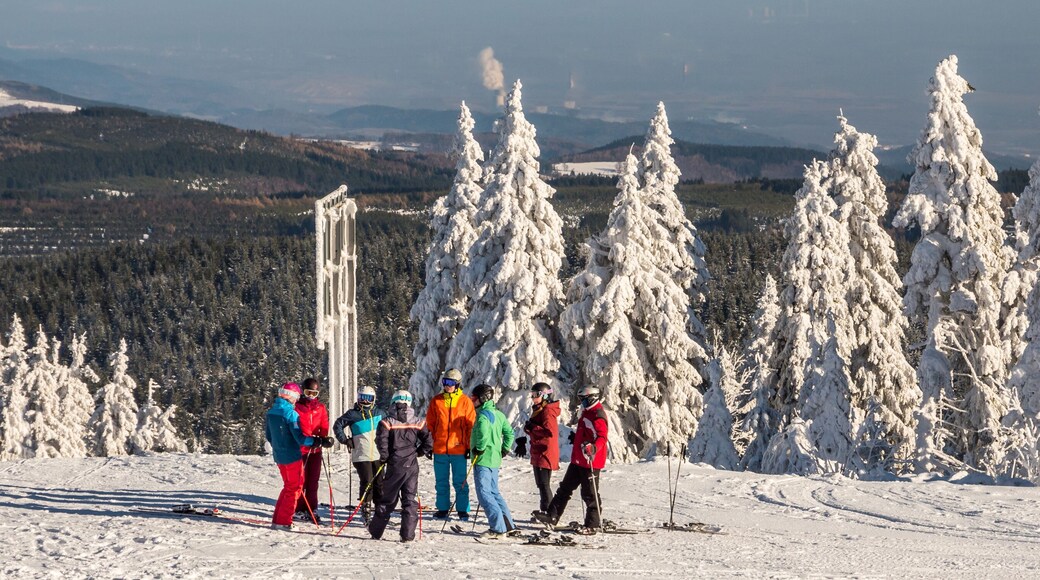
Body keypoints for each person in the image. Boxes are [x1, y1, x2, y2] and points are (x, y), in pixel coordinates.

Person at [532, 385, 609, 532]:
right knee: (565, 489)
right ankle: (552, 516)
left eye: (584, 400)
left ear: (592, 398)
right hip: (578, 460)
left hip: (590, 461)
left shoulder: (597, 414)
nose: (582, 403)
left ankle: (592, 523)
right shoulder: (587, 413)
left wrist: (593, 447)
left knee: (589, 493)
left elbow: (602, 437)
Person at [369, 389, 433, 543]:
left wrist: (384, 457)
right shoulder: (418, 421)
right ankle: (407, 535)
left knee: (387, 499)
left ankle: (376, 531)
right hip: (411, 465)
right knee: (409, 499)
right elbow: (429, 441)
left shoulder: (386, 422)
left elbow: (381, 441)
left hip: (394, 464)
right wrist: (418, 452)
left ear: (393, 402)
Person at [264, 382, 317, 531]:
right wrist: (317, 441)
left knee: (288, 487)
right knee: (295, 488)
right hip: (292, 456)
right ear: (292, 396)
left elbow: (269, 435)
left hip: (279, 455)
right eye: (297, 397)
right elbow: (300, 438)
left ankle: (277, 519)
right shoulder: (291, 414)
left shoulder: (272, 411)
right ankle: (284, 521)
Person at [425, 368, 475, 520]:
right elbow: (430, 425)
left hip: (458, 450)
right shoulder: (436, 401)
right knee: (441, 482)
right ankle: (442, 508)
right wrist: (429, 445)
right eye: (445, 382)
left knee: (460, 482)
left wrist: (468, 447)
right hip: (440, 449)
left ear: (458, 384)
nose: (447, 386)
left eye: (451, 383)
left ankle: (462, 509)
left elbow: (470, 427)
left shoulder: (465, 402)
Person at [470, 384, 518, 539]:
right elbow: (509, 433)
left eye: (474, 398)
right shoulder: (498, 414)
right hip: (494, 460)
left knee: (484, 494)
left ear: (483, 399)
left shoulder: (483, 415)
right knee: (494, 493)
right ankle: (508, 525)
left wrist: (479, 448)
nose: (472, 401)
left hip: (483, 459)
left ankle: (498, 529)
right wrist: (504, 449)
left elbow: (483, 434)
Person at [332, 385, 384, 522]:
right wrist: (345, 440)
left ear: (373, 399)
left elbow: (389, 427)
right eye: (363, 398)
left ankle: (379, 509)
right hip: (361, 455)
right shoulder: (352, 414)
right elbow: (337, 425)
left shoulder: (380, 413)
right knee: (367, 481)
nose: (366, 402)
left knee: (379, 482)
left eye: (369, 399)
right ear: (358, 398)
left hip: (378, 454)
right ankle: (366, 508)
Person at [294, 377, 332, 523]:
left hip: (315, 450)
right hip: (301, 449)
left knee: (313, 482)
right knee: (300, 481)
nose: (311, 396)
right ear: (303, 392)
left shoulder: (320, 408)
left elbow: (324, 424)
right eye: (308, 392)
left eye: (314, 393)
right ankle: (299, 509)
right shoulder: (297, 407)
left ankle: (311, 508)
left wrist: (323, 439)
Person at [523, 382, 560, 513]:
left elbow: (549, 432)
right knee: (541, 484)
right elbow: (539, 430)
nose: (533, 398)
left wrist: (534, 428)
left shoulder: (547, 411)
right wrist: (530, 428)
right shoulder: (540, 410)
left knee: (544, 484)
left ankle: (549, 512)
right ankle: (545, 510)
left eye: (536, 395)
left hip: (545, 452)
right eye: (532, 395)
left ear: (545, 396)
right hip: (539, 451)